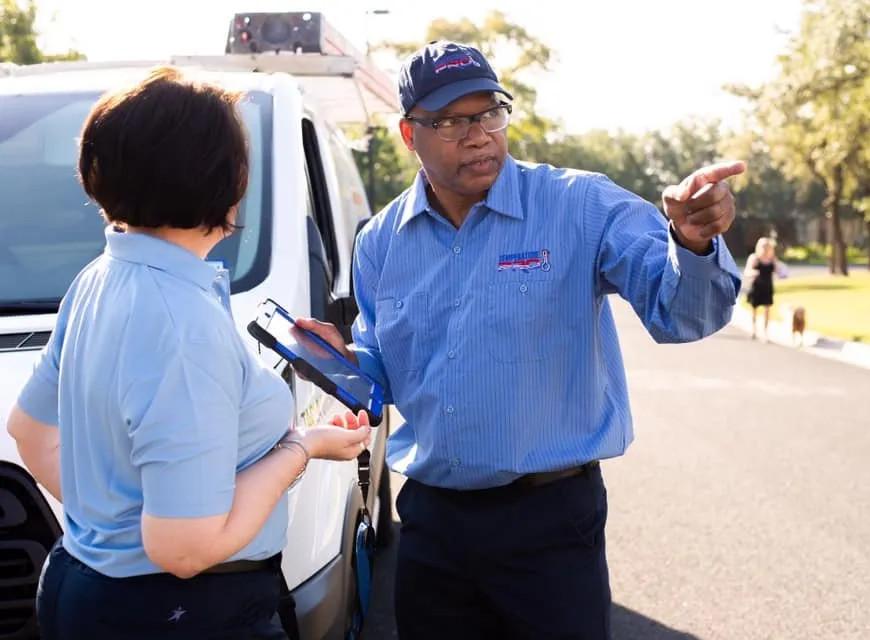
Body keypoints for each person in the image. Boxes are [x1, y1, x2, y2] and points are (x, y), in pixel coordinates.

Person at [301, 41, 744, 639]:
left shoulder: (579, 204)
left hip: (550, 526)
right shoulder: (380, 242)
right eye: (453, 121)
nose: (479, 134)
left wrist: (689, 243)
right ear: (410, 135)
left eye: (489, 113)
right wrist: (338, 361)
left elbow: (681, 314)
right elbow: (386, 370)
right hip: (433, 524)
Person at [4, 67, 372, 640]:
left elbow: (28, 430)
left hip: (85, 586)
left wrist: (111, 532)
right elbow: (183, 549)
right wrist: (304, 448)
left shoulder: (100, 277)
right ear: (223, 178)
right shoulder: (184, 325)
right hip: (183, 612)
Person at [744, 237, 786, 341]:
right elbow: (747, 271)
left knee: (767, 310)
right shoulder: (754, 258)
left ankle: (765, 332)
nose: (765, 249)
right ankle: (754, 330)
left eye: (767, 247)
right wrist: (753, 272)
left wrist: (782, 275)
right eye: (763, 246)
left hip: (768, 287)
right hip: (757, 287)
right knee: (754, 310)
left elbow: (778, 271)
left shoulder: (772, 260)